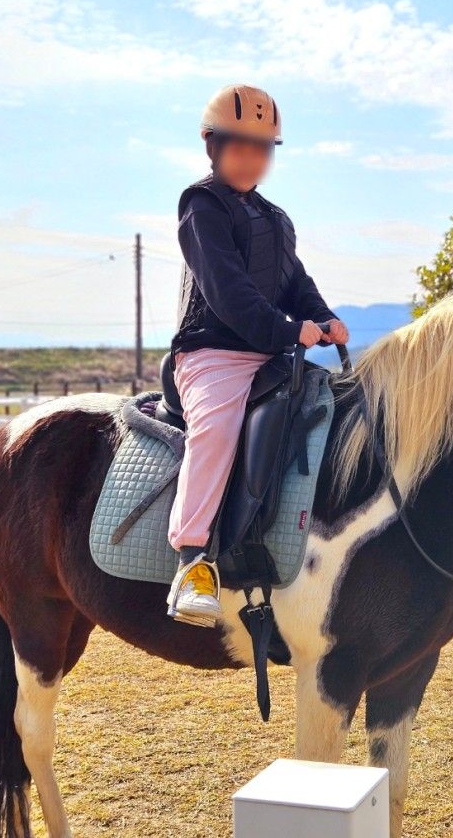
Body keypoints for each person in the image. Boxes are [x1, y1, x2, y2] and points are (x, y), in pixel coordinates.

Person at [166, 84, 349, 627]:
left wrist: (325, 317)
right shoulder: (201, 205)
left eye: (264, 147)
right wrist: (293, 331)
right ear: (213, 145)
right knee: (218, 428)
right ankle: (193, 561)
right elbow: (228, 293)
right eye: (241, 144)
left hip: (271, 351)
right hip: (214, 354)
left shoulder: (275, 218)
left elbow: (296, 282)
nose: (253, 156)